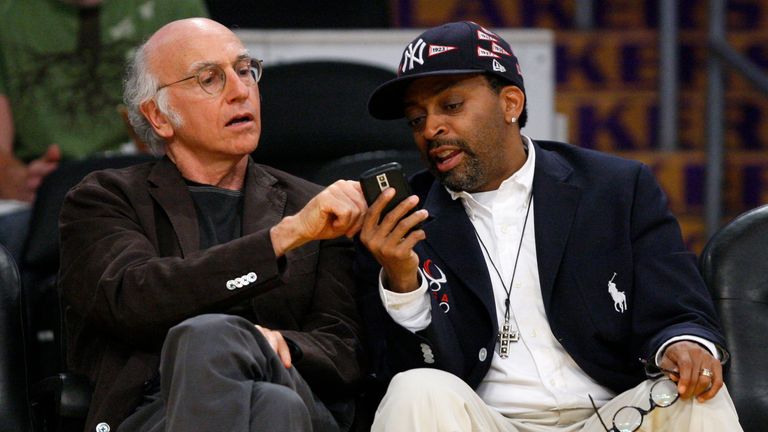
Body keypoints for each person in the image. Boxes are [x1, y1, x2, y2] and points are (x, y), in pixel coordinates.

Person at [355, 21, 743, 431]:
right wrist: (402, 284)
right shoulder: (400, 223)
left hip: (615, 417)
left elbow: (679, 308)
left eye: (450, 106)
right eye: (416, 120)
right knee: (416, 389)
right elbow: (388, 376)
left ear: (510, 104)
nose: (431, 129)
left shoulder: (615, 188)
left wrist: (682, 344)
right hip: (483, 421)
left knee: (698, 399)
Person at [58, 17, 367, 432]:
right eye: (209, 78)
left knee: (238, 360)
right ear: (158, 117)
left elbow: (343, 348)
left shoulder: (310, 203)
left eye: (244, 71)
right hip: (156, 414)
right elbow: (134, 299)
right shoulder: (105, 199)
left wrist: (268, 346)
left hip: (298, 391)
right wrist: (284, 237)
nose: (241, 91)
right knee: (268, 404)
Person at [0, 0, 208, 261]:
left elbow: (206, 129)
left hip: (154, 185)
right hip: (44, 200)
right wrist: (16, 179)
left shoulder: (176, 9)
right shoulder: (7, 13)